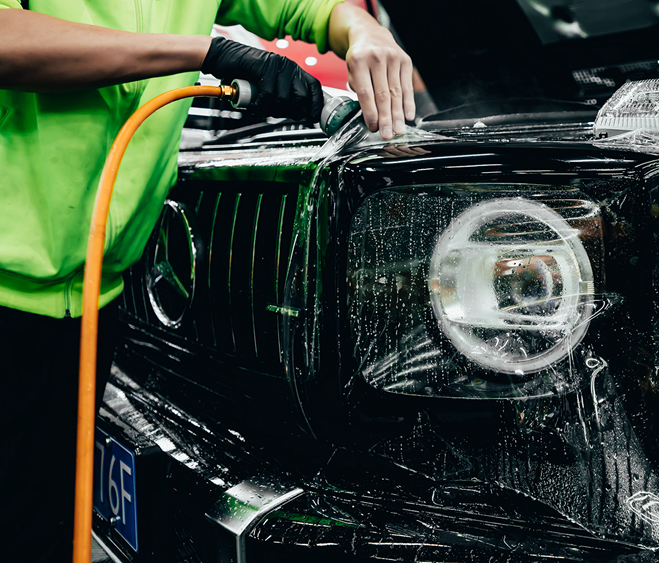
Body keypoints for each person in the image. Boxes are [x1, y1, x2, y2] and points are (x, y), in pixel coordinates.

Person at [0, 1, 413, 560]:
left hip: (96, 297)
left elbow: (302, 6)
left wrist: (360, 27)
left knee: (40, 527)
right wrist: (204, 52)